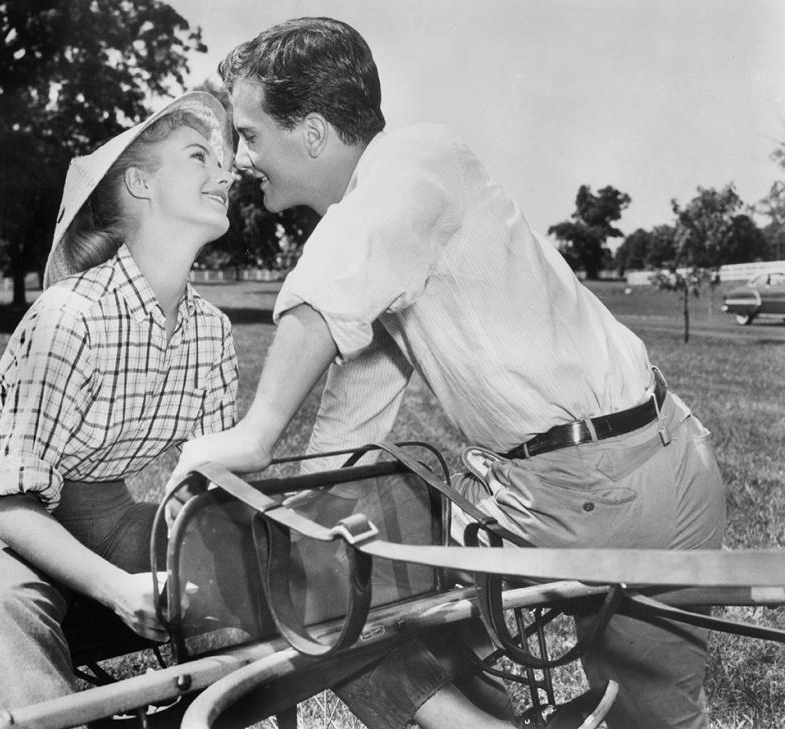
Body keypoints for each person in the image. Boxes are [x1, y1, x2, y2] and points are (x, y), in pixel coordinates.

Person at [166, 17, 726, 729]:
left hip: (588, 494)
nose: (242, 158)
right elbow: (353, 409)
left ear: (310, 132)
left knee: (350, 605)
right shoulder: (409, 207)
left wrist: (256, 432)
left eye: (248, 134)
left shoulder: (409, 162)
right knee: (657, 719)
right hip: (664, 464)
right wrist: (304, 523)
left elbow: (333, 277)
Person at [0, 91, 238, 717]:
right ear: (140, 184)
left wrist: (256, 541)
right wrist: (119, 588)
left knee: (251, 561)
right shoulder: (68, 318)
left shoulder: (211, 330)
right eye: (198, 157)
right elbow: (12, 511)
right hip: (7, 524)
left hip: (111, 514)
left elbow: (211, 487)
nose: (226, 172)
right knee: (6, 611)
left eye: (224, 161)